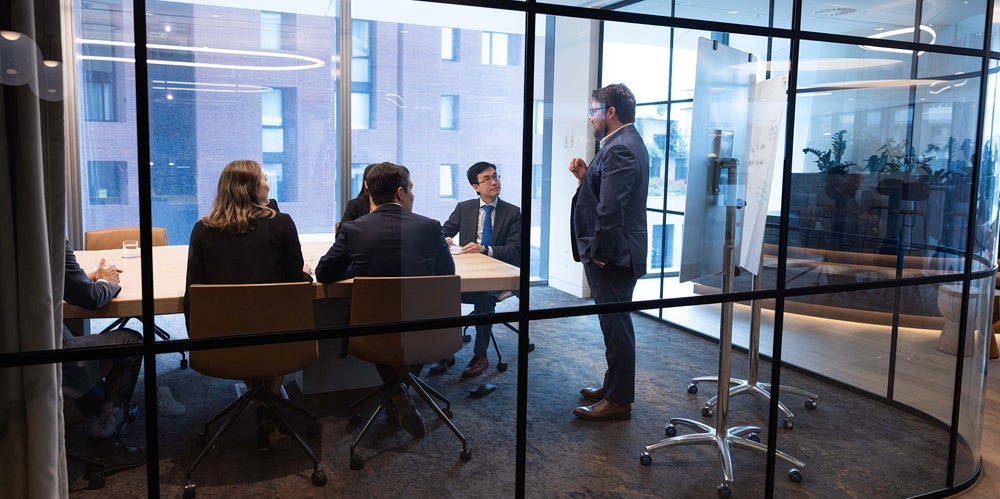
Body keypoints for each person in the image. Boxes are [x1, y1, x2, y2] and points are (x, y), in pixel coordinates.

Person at [315, 161, 454, 438]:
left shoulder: (354, 229)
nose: (413, 195)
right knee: (409, 330)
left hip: (371, 333)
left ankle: (397, 394)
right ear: (401, 193)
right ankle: (401, 391)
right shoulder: (429, 227)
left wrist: (357, 267)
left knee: (380, 326)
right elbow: (446, 273)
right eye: (411, 189)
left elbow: (324, 273)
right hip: (426, 330)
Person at [184, 159, 313, 451]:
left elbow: (194, 292)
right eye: (264, 179)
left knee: (241, 320)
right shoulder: (282, 223)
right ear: (251, 188)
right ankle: (270, 398)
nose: (268, 184)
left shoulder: (202, 230)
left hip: (224, 341)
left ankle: (260, 402)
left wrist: (197, 339)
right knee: (273, 319)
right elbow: (296, 283)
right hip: (280, 338)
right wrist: (305, 274)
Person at [568, 83, 649, 422]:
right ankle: (613, 386)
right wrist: (586, 177)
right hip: (616, 253)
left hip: (613, 256)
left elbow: (612, 210)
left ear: (610, 112)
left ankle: (618, 401)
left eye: (593, 111)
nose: (590, 117)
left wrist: (598, 254)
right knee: (613, 326)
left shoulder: (620, 148)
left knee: (617, 328)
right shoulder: (623, 143)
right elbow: (608, 194)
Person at [61, 240, 147, 471]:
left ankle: (102, 409)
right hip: (46, 357)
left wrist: (84, 279)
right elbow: (91, 298)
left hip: (14, 356)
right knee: (131, 341)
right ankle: (106, 437)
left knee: (75, 334)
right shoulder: (48, 234)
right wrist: (107, 282)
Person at [434, 161, 521, 377]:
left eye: (495, 176)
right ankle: (445, 352)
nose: (494, 182)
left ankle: (480, 356)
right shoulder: (464, 208)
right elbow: (443, 231)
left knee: (485, 296)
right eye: (487, 179)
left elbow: (514, 250)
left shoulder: (512, 212)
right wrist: (445, 239)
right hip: (470, 271)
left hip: (497, 274)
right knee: (444, 292)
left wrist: (485, 249)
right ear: (476, 186)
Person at [338, 163, 375, 227]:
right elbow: (344, 230)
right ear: (366, 184)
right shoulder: (355, 205)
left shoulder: (389, 205)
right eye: (374, 181)